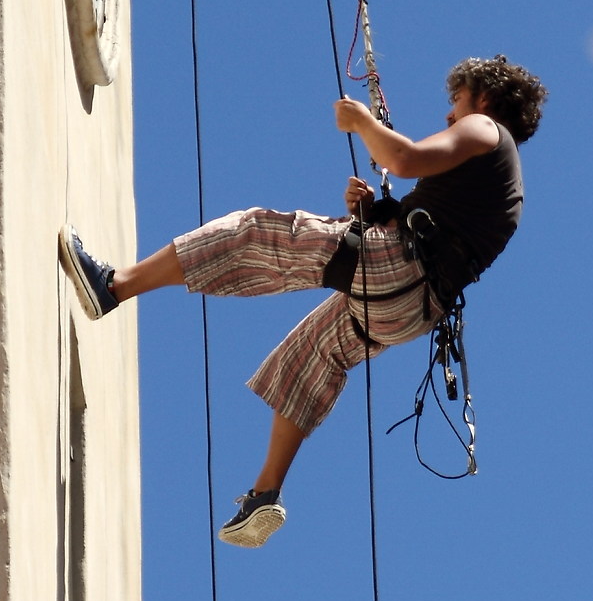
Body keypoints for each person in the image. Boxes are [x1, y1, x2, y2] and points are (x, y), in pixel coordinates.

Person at [58, 55, 547, 547]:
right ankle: (265, 492)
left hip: (396, 273)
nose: (449, 114)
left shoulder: (486, 130)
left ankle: (115, 285)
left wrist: (362, 122)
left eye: (456, 101)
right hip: (411, 311)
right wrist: (372, 212)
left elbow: (403, 159)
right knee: (309, 357)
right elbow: (429, 221)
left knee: (257, 233)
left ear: (484, 99)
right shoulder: (501, 187)